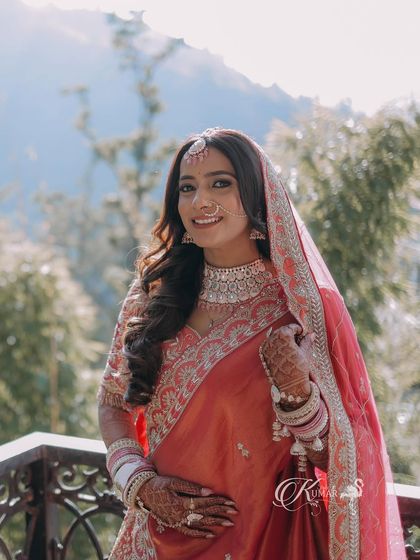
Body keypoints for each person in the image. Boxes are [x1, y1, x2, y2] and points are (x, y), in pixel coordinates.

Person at [97, 128, 405, 559]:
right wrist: (139, 483)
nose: (200, 201)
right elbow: (113, 403)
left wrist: (298, 395)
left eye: (220, 183)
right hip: (156, 538)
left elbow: (342, 461)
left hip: (266, 538)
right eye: (188, 188)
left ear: (258, 195)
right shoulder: (154, 295)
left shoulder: (302, 307)